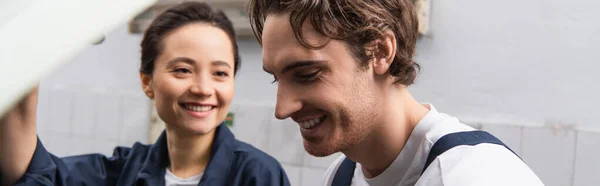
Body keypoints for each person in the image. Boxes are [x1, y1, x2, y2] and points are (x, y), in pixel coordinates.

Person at [247, 0, 544, 185]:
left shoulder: (476, 176)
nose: (282, 109)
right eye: (276, 79)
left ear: (380, 52)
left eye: (307, 75)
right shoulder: (340, 177)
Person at [0, 2, 290, 186]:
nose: (203, 89)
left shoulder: (259, 176)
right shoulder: (120, 173)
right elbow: (30, 172)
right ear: (147, 82)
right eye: (182, 70)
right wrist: (30, 41)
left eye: (220, 73)